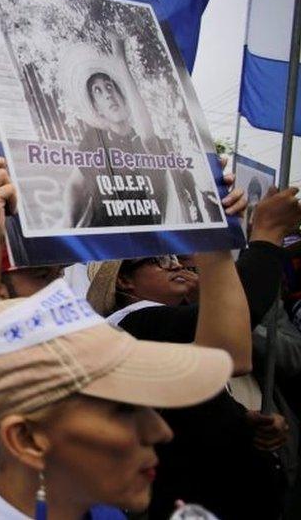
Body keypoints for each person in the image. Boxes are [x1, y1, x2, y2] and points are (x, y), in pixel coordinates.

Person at [0, 133, 231, 520]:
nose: (160, 431)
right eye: (122, 409)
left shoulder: (93, 506)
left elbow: (227, 353)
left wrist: (215, 238)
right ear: (25, 439)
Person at [85, 189, 298, 519]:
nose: (176, 265)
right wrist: (267, 235)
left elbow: (193, 408)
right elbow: (232, 344)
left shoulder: (160, 332)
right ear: (125, 281)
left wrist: (242, 421)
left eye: (176, 256)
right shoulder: (134, 323)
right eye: (160, 259)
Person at [60, 40, 222, 228]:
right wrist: (68, 226)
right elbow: (75, 186)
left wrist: (121, 63)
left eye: (110, 87)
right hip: (100, 248)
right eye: (98, 91)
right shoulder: (93, 141)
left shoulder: (150, 143)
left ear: (124, 95)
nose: (107, 95)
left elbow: (147, 136)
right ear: (97, 108)